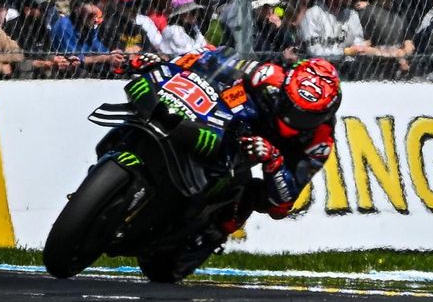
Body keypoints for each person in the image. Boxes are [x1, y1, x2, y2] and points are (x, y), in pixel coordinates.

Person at [135, 47, 341, 280]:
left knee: (252, 194)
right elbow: (211, 58)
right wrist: (165, 60)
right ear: (285, 86)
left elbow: (282, 205)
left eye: (305, 116)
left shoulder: (320, 140)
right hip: (228, 125)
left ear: (325, 113)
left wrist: (273, 159)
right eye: (290, 106)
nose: (292, 119)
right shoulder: (267, 75)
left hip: (262, 155)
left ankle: (211, 233)